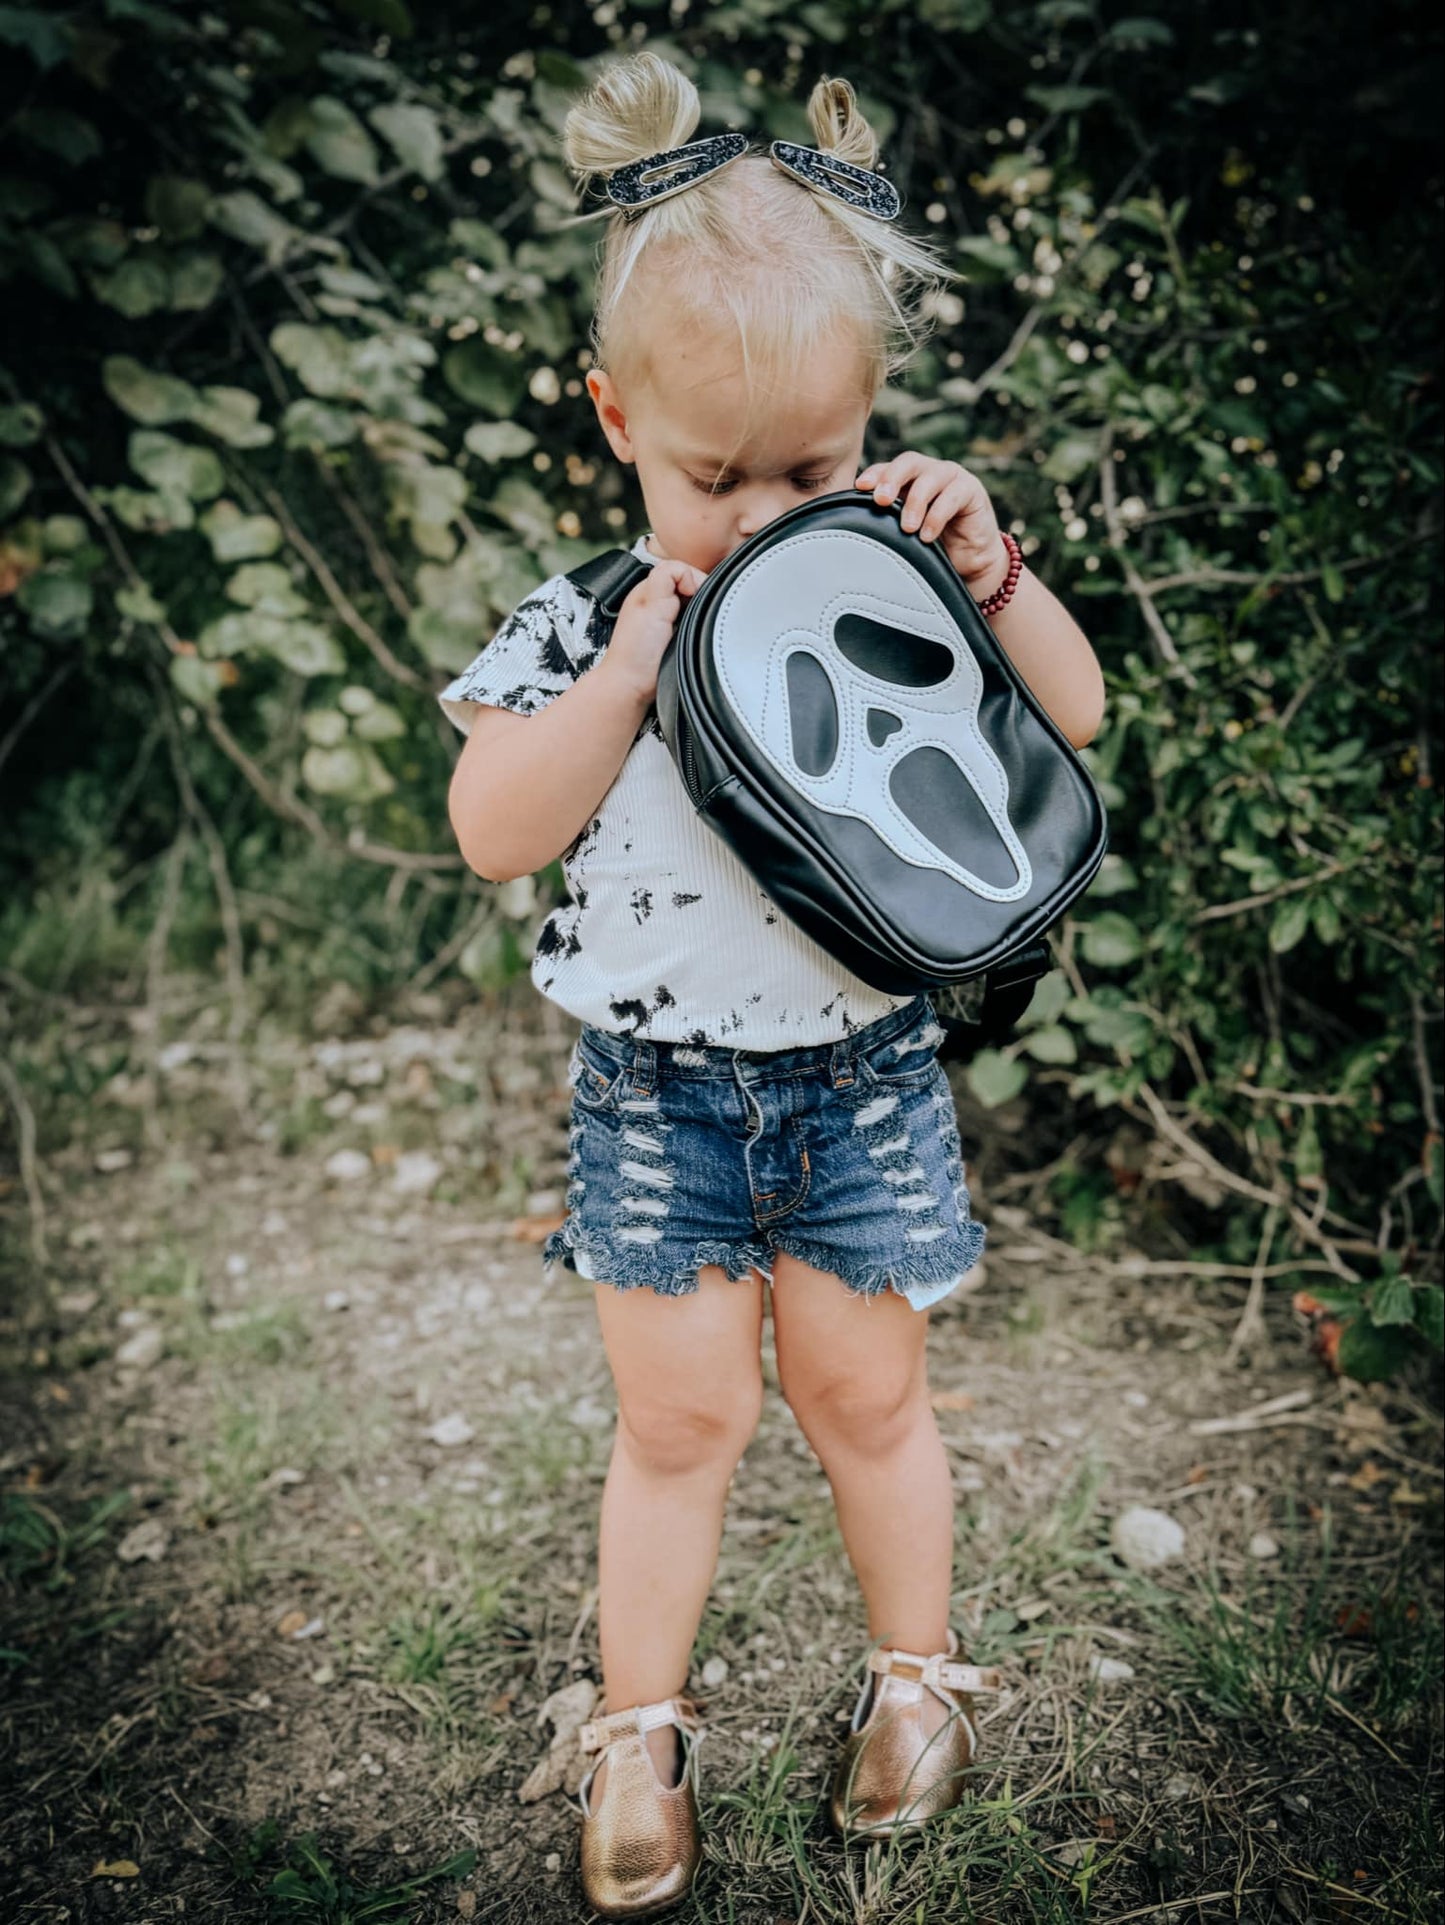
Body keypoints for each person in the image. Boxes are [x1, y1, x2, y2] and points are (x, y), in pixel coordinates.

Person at [440, 50, 1106, 1920]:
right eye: (706, 476)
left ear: (868, 418)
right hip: (656, 1097)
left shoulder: (894, 572)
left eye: (807, 467)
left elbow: (1069, 717)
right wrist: (625, 669)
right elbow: (497, 824)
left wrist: (986, 568)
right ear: (613, 420)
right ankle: (638, 1723)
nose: (757, 515)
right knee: (677, 1424)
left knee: (867, 1400)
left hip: (865, 1077)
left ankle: (918, 1682)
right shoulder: (586, 618)